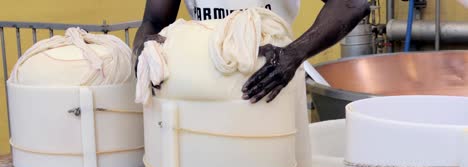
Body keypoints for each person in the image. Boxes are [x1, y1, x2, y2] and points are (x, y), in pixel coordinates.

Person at [134, 0, 370, 103]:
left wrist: (293, 54)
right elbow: (153, 22)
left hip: (272, 81)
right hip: (206, 85)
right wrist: (142, 52)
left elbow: (352, 4)